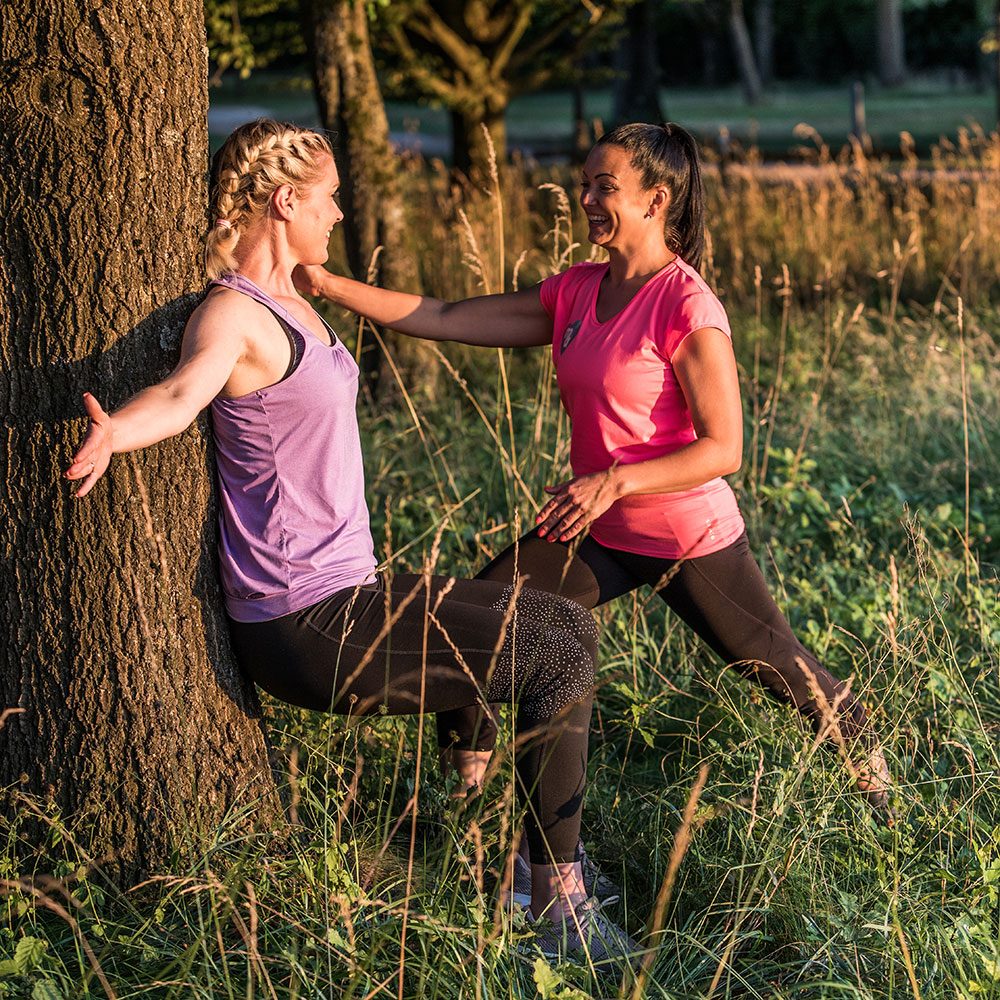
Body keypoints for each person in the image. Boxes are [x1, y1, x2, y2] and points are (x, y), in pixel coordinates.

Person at [63, 118, 639, 963]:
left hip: (347, 595)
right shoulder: (237, 314)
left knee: (543, 618)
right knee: (559, 640)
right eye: (330, 197)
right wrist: (117, 431)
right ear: (285, 199)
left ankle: (524, 847)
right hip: (306, 624)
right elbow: (186, 391)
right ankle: (552, 902)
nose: (340, 213)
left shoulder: (296, 301)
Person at [293, 121, 894, 892]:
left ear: (656, 198)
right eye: (585, 184)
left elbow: (724, 449)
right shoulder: (577, 289)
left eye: (602, 187)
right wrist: (333, 286)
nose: (585, 200)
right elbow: (443, 317)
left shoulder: (687, 306)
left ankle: (877, 780)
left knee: (774, 664)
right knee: (483, 621)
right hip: (594, 530)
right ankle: (469, 823)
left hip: (684, 534)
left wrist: (615, 480)